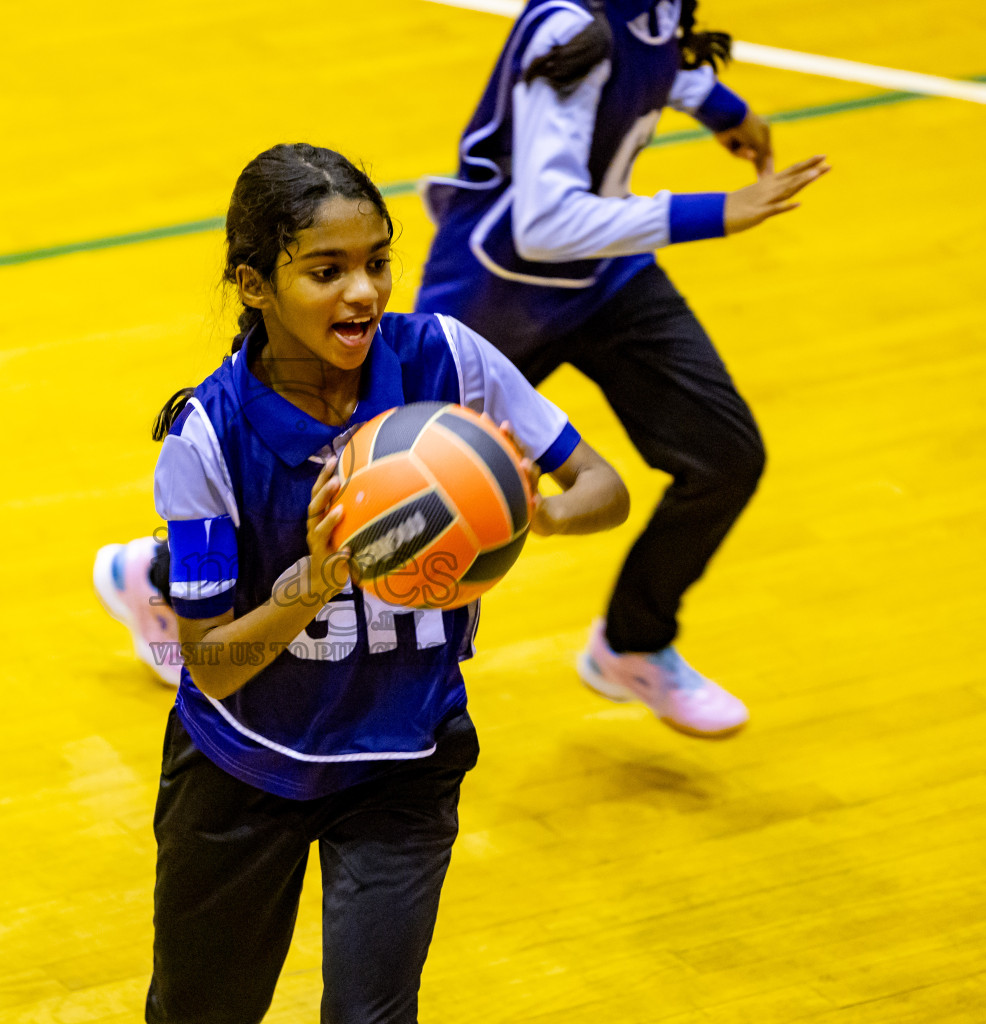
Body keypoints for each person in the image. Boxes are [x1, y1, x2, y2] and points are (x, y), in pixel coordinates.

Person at [139, 143, 627, 1024]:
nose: (362, 291)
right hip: (246, 770)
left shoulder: (449, 360)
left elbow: (605, 488)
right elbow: (209, 666)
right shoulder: (205, 437)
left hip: (404, 760)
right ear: (253, 285)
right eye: (326, 271)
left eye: (377, 263)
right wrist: (319, 579)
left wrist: (527, 512)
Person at [414, 0, 830, 738]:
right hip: (496, 289)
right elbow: (543, 224)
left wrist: (721, 105)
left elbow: (651, 56)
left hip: (607, 278)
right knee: (376, 476)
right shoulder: (573, 27)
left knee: (725, 458)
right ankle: (164, 582)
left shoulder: (652, 9)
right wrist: (717, 211)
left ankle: (631, 648)